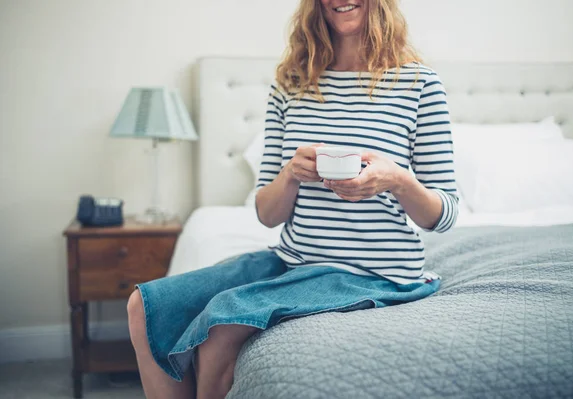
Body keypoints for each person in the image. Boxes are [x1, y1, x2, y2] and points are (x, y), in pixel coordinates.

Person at [127, 0, 459, 398]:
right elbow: (267, 215)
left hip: (377, 273)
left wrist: (396, 180)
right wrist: (289, 175)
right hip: (292, 262)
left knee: (220, 326)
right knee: (142, 307)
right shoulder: (291, 83)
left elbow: (444, 213)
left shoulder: (419, 84)